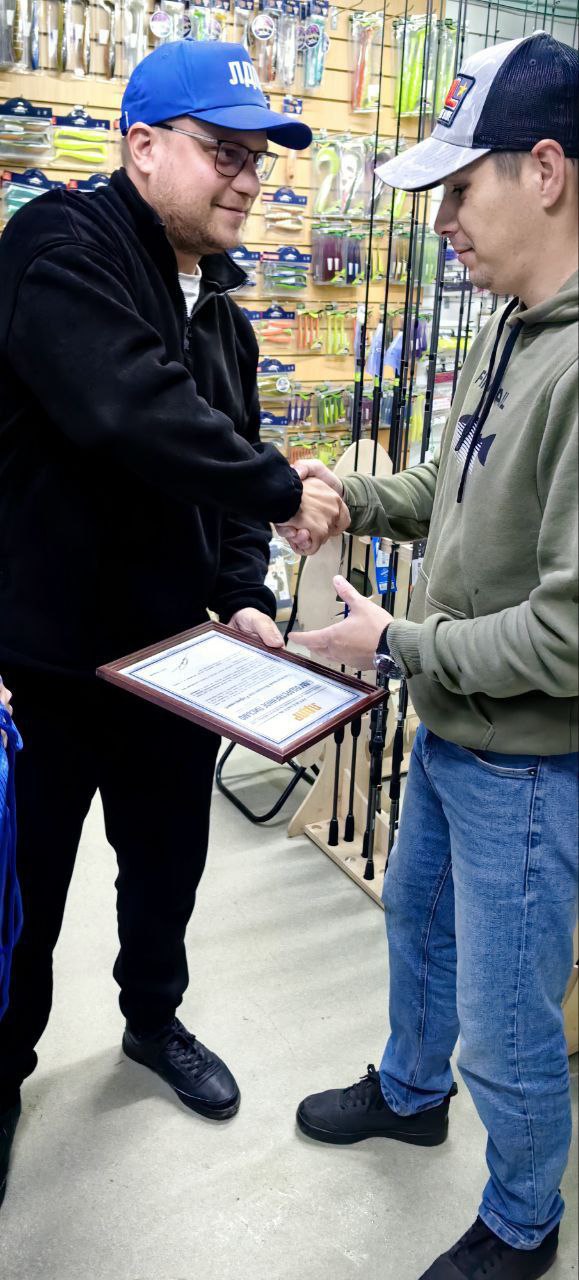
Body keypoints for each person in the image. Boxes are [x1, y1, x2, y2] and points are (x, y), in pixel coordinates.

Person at [0, 39, 349, 1205]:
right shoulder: (61, 248)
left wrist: (244, 594)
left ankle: (154, 1019)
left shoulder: (227, 318)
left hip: (176, 660)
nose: (246, 178)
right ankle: (3, 1070)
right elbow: (124, 406)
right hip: (43, 661)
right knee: (21, 891)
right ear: (142, 146)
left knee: (166, 868)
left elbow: (224, 469)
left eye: (257, 158)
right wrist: (279, 487)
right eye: (222, 151)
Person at [281, 32, 579, 1280]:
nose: (442, 221)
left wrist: (397, 642)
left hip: (529, 770)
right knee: (417, 926)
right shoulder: (510, 327)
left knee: (506, 1024)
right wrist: (349, 493)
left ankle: (523, 1217)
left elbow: (568, 635)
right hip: (458, 733)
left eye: (460, 189)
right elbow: (451, 493)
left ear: (545, 171)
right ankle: (411, 1090)